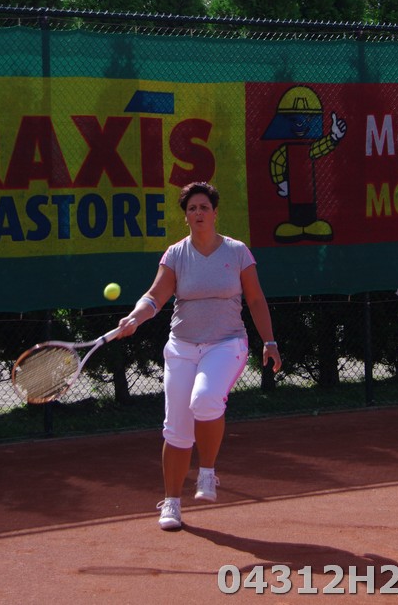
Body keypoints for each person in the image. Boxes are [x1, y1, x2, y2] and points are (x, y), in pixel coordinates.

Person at [116, 181, 282, 531]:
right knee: (176, 430)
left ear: (215, 212)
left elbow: (255, 299)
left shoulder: (237, 252)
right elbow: (155, 296)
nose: (198, 213)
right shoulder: (176, 254)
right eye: (192, 208)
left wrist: (269, 341)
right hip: (182, 347)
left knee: (205, 399)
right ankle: (172, 503)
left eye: (204, 207)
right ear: (186, 216)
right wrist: (134, 317)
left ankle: (207, 472)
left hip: (226, 344)